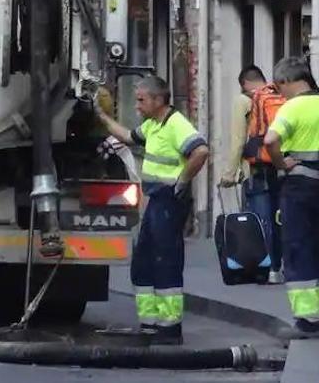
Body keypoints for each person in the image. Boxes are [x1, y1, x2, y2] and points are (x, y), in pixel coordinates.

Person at [95, 75, 210, 345]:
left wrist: (183, 181)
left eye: (141, 100)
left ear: (159, 100)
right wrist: (102, 117)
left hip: (168, 201)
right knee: (143, 262)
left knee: (165, 261)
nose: (137, 106)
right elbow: (129, 136)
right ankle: (149, 323)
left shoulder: (176, 124)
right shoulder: (154, 124)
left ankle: (170, 328)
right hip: (156, 201)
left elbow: (201, 151)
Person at [260, 56, 319, 334]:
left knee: (299, 248)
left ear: (285, 82)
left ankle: (308, 319)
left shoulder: (292, 108)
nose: (278, 93)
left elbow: (270, 140)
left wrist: (282, 163)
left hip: (301, 188)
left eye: (277, 87)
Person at [221, 65, 285, 283]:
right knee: (279, 218)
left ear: (244, 84)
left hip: (258, 169)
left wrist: (229, 174)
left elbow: (238, 141)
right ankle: (281, 266)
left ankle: (268, 268)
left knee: (261, 219)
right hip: (283, 165)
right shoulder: (280, 95)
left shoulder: (243, 101)